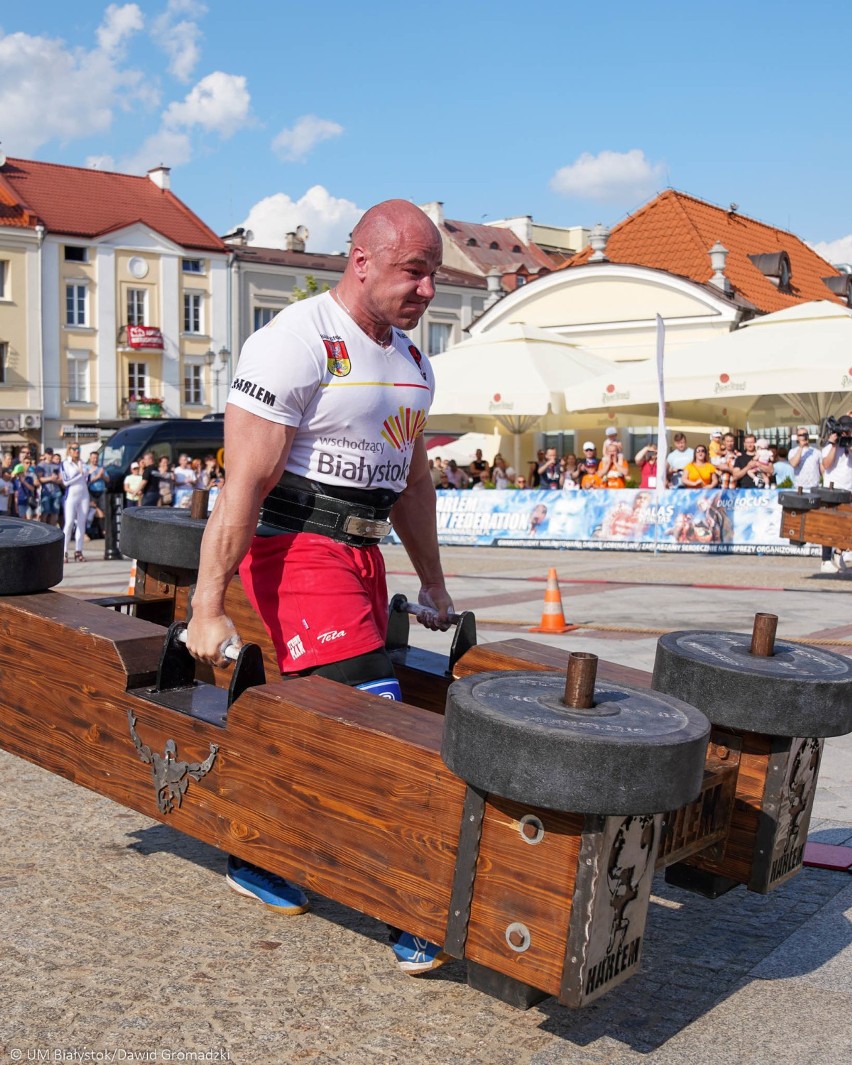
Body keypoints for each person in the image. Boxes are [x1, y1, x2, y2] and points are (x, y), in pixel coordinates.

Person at [185, 199, 454, 976]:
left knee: (324, 718)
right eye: (415, 270)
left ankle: (260, 850)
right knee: (376, 727)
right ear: (360, 259)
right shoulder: (293, 343)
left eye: (434, 272)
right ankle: (402, 901)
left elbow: (411, 484)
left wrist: (433, 583)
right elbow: (244, 488)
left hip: (365, 560)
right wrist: (206, 606)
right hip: (296, 550)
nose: (428, 289)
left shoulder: (413, 363)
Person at [819, 413, 852, 573]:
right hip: (832, 490)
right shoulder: (829, 447)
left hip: (848, 490)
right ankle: (825, 559)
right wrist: (834, 445)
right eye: (844, 432)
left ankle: (839, 553)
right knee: (829, 525)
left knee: (847, 526)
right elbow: (826, 464)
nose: (846, 434)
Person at [60, 444, 90, 561]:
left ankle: (79, 550)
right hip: (71, 495)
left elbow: (87, 478)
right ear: (69, 450)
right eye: (74, 449)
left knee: (82, 523)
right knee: (69, 523)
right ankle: (64, 551)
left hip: (83, 495)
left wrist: (85, 473)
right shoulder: (65, 463)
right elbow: (66, 481)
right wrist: (80, 474)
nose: (77, 451)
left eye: (79, 449)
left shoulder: (82, 463)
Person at [36, 448, 64, 525]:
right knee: (45, 512)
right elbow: (40, 479)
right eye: (48, 453)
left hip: (56, 491)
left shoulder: (56, 465)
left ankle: (53, 531)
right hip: (46, 491)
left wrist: (57, 480)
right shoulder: (40, 465)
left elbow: (60, 479)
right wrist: (51, 478)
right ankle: (44, 531)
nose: (50, 455)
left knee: (55, 513)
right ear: (45, 454)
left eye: (51, 453)